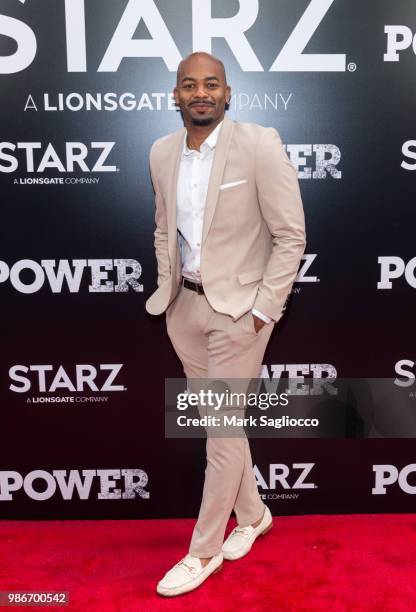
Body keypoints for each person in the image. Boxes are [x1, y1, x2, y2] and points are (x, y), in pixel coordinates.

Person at [145, 51, 306, 597]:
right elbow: (165, 229)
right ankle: (255, 514)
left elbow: (291, 236)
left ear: (228, 92)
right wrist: (169, 292)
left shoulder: (259, 144)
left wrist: (263, 309)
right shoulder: (162, 151)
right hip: (184, 311)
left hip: (239, 314)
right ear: (175, 95)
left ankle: (203, 550)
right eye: (189, 85)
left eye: (211, 84)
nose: (200, 93)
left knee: (217, 430)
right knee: (223, 424)